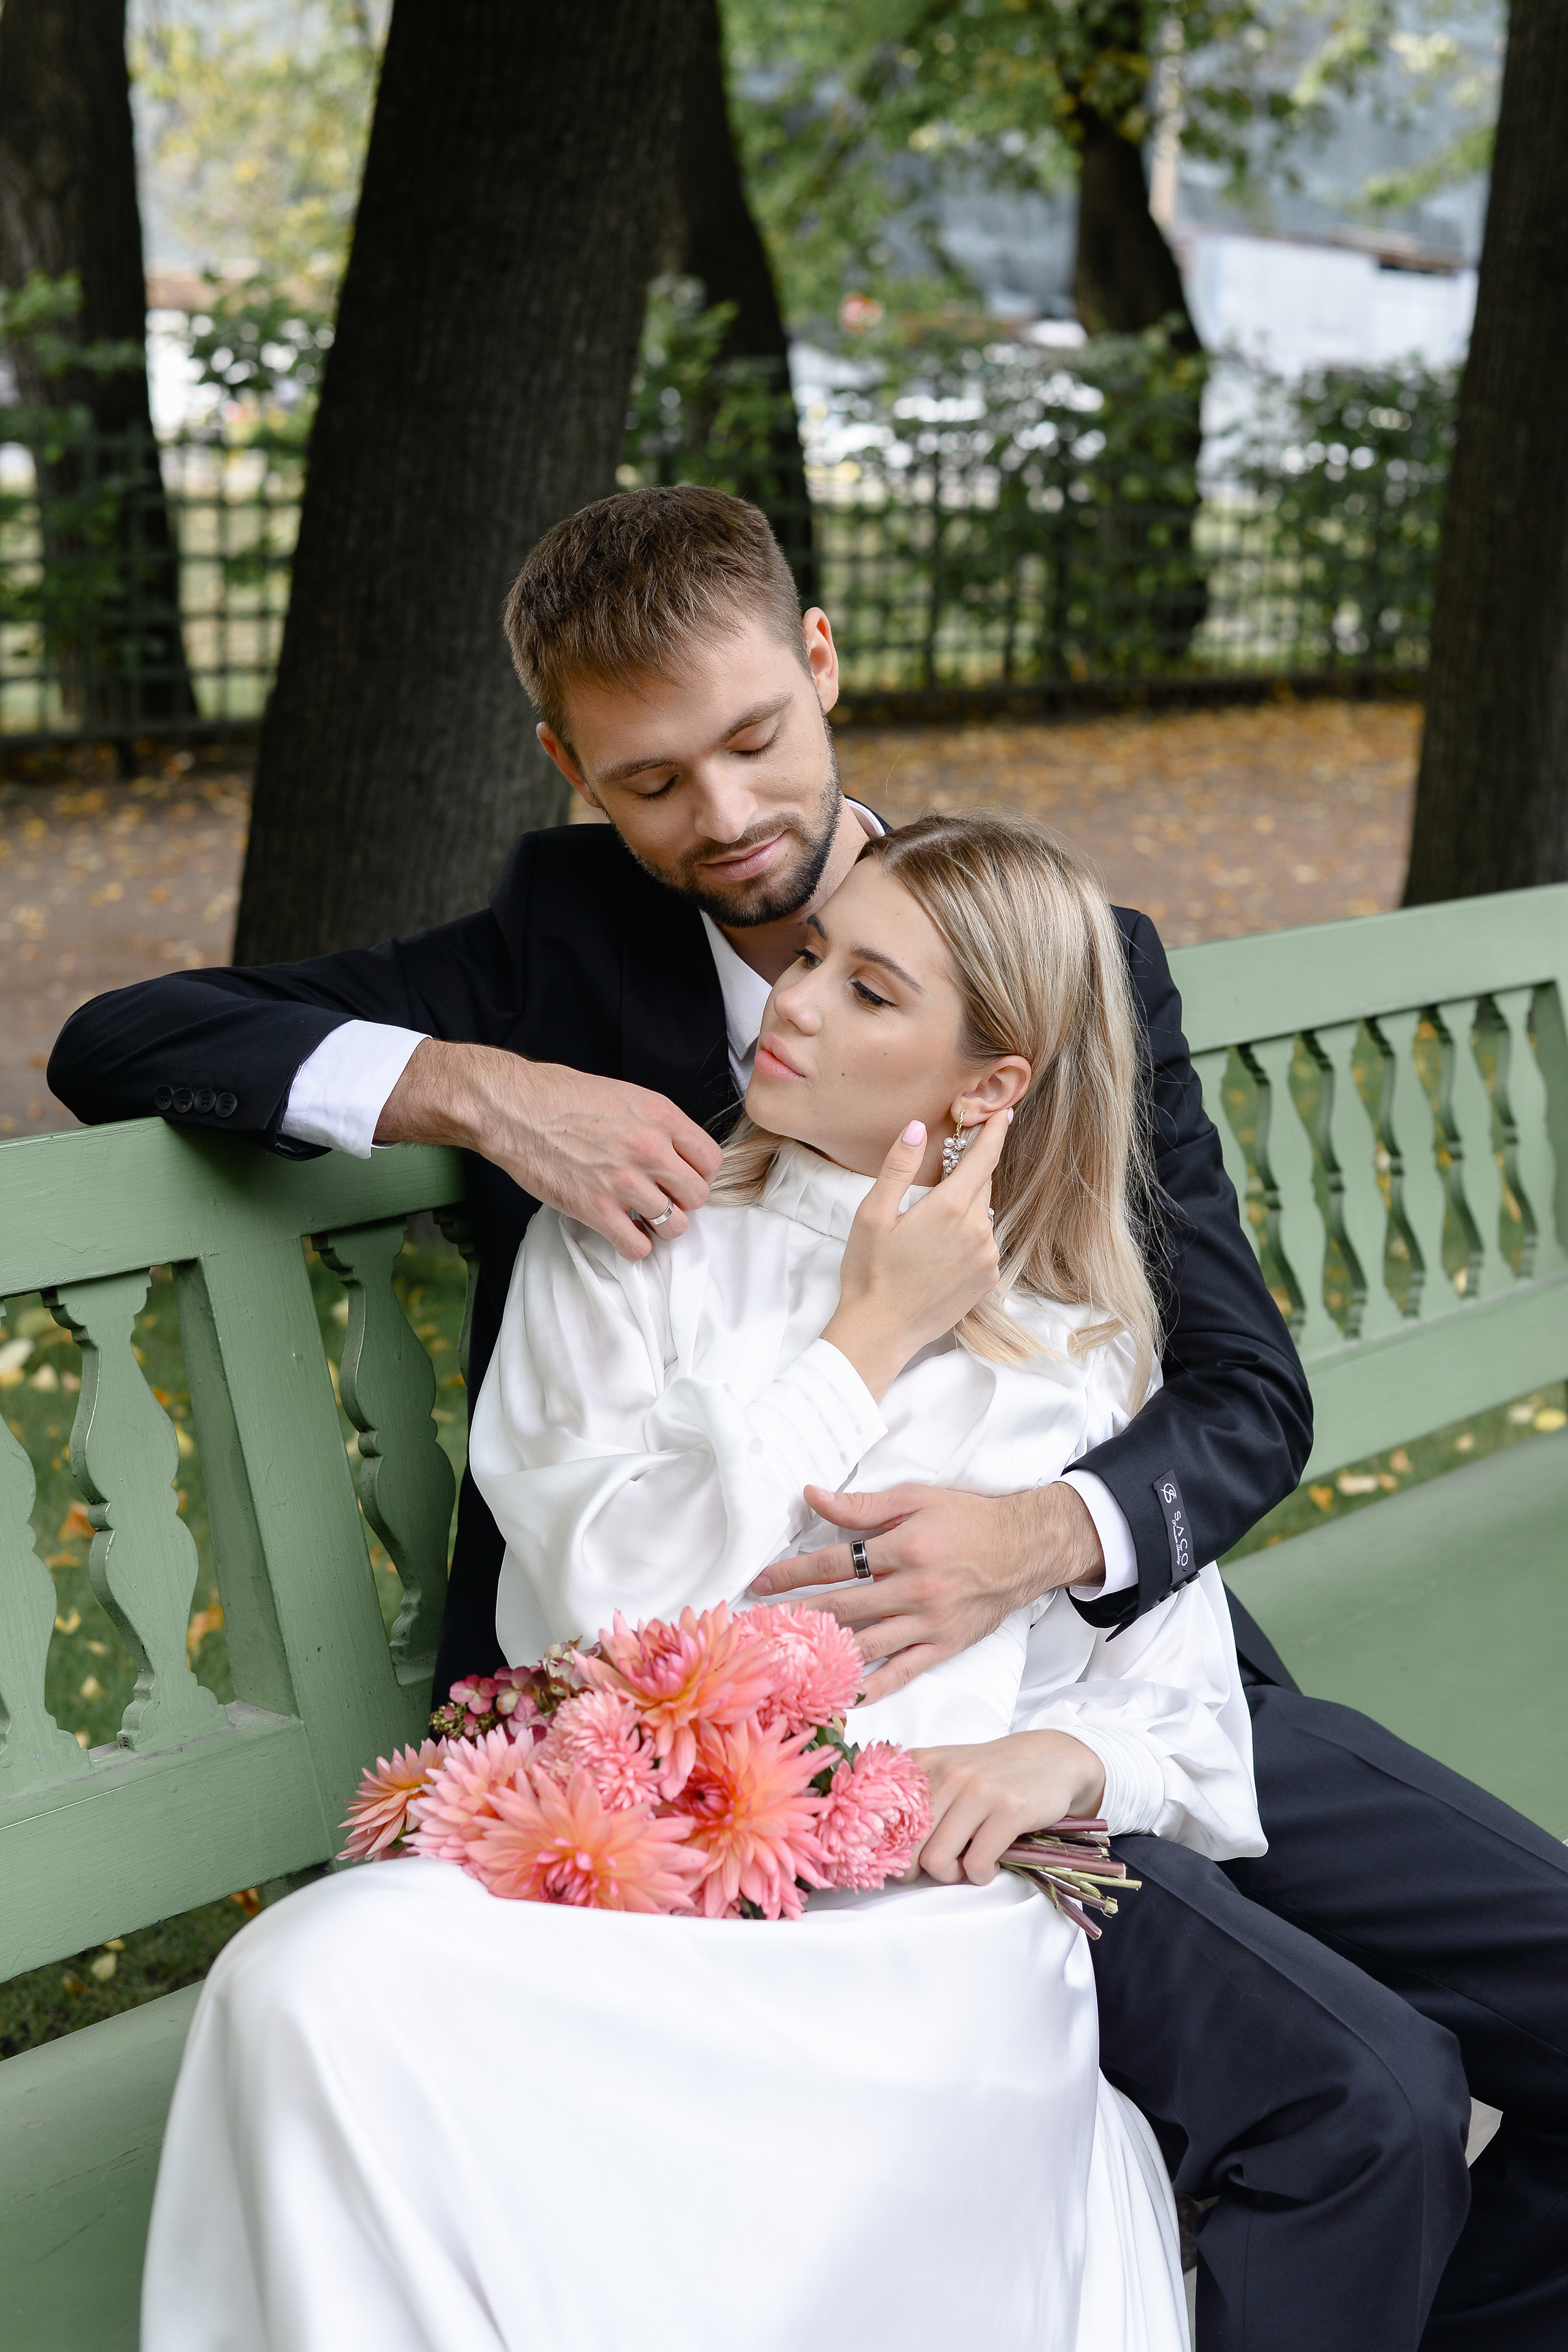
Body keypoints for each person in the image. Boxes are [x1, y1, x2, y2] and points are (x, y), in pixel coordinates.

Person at [50, 486, 1568, 2352]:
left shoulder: (1061, 950)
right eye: (652, 782)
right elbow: (122, 1038)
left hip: (1107, 1665)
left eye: (758, 739)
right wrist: (482, 1090)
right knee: (1359, 2093)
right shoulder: (556, 954)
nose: (729, 818)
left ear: (823, 660)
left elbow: (1243, 1389)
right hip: (726, 1713)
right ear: (573, 772)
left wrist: (1043, 1541)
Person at [141, 813, 1265, 2352]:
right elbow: (614, 1615)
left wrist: (1060, 1752)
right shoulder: (626, 1246)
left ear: (988, 1085)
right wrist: (859, 1344)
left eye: (871, 993)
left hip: (921, 1936)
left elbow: (1191, 1729)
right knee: (306, 1980)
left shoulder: (1076, 1345)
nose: (791, 1003)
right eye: (810, 959)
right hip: (617, 1887)